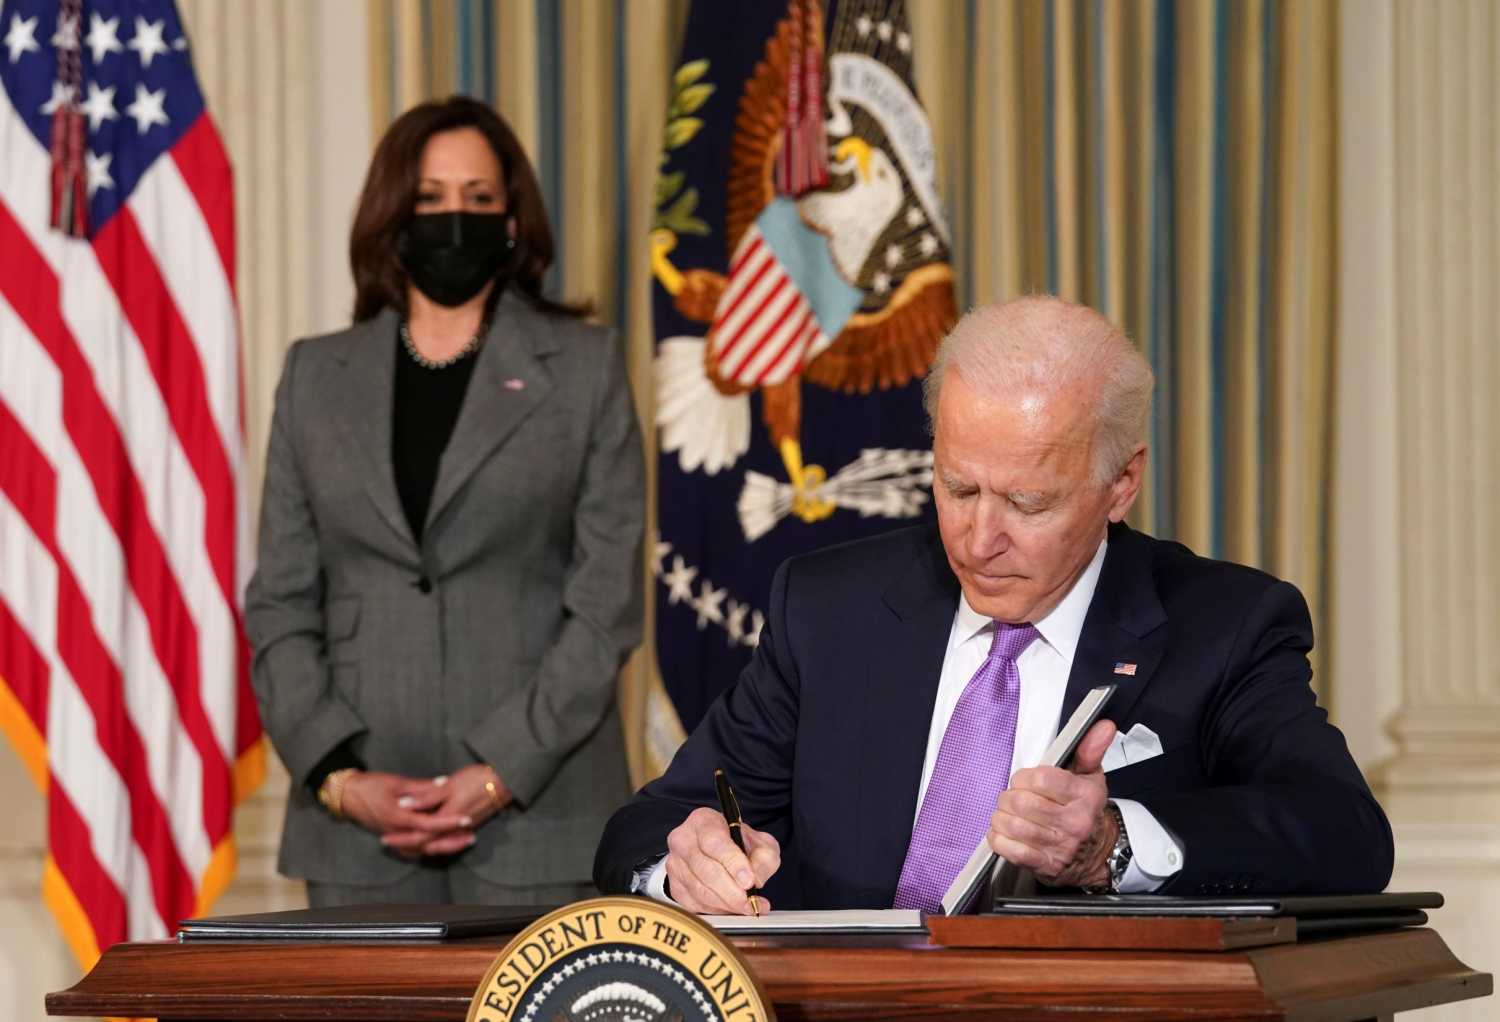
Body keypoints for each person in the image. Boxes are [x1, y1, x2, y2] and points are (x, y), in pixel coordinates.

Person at [594, 295, 1392, 914]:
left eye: (1028, 503)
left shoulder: (1222, 626)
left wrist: (1113, 846)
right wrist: (684, 866)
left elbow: (1342, 832)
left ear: (1123, 483)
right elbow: (655, 820)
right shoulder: (831, 610)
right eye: (957, 487)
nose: (979, 538)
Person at [246, 96, 644, 907]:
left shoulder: (585, 368)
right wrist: (339, 778)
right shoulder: (315, 377)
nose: (452, 219)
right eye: (429, 199)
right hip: (357, 838)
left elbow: (605, 606)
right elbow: (281, 605)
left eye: (477, 198)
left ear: (511, 218)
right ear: (392, 215)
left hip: (542, 821)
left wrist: (499, 773)